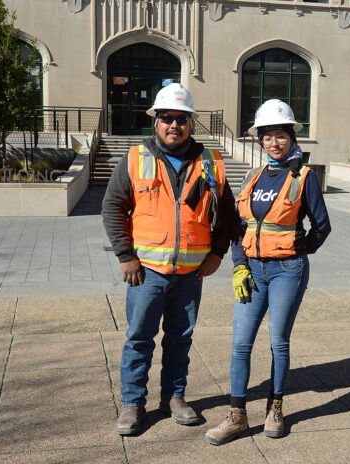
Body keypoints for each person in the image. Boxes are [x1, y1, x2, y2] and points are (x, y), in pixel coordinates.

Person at [102, 83, 235, 436]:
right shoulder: (135, 158)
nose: (174, 125)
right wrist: (125, 255)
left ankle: (174, 397)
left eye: (181, 118)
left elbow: (228, 215)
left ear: (190, 123)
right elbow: (112, 206)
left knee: (180, 338)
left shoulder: (211, 162)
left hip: (191, 273)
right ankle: (132, 403)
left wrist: (217, 253)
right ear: (155, 122)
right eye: (166, 118)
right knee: (139, 338)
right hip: (147, 272)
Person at [205, 99, 331, 445]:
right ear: (259, 140)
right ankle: (237, 416)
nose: (273, 143)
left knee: (278, 341)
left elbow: (322, 226)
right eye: (266, 137)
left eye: (280, 136)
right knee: (241, 343)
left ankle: (275, 409)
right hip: (253, 271)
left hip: (287, 271)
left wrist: (302, 247)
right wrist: (239, 266)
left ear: (291, 137)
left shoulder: (304, 177)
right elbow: (238, 227)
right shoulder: (252, 176)